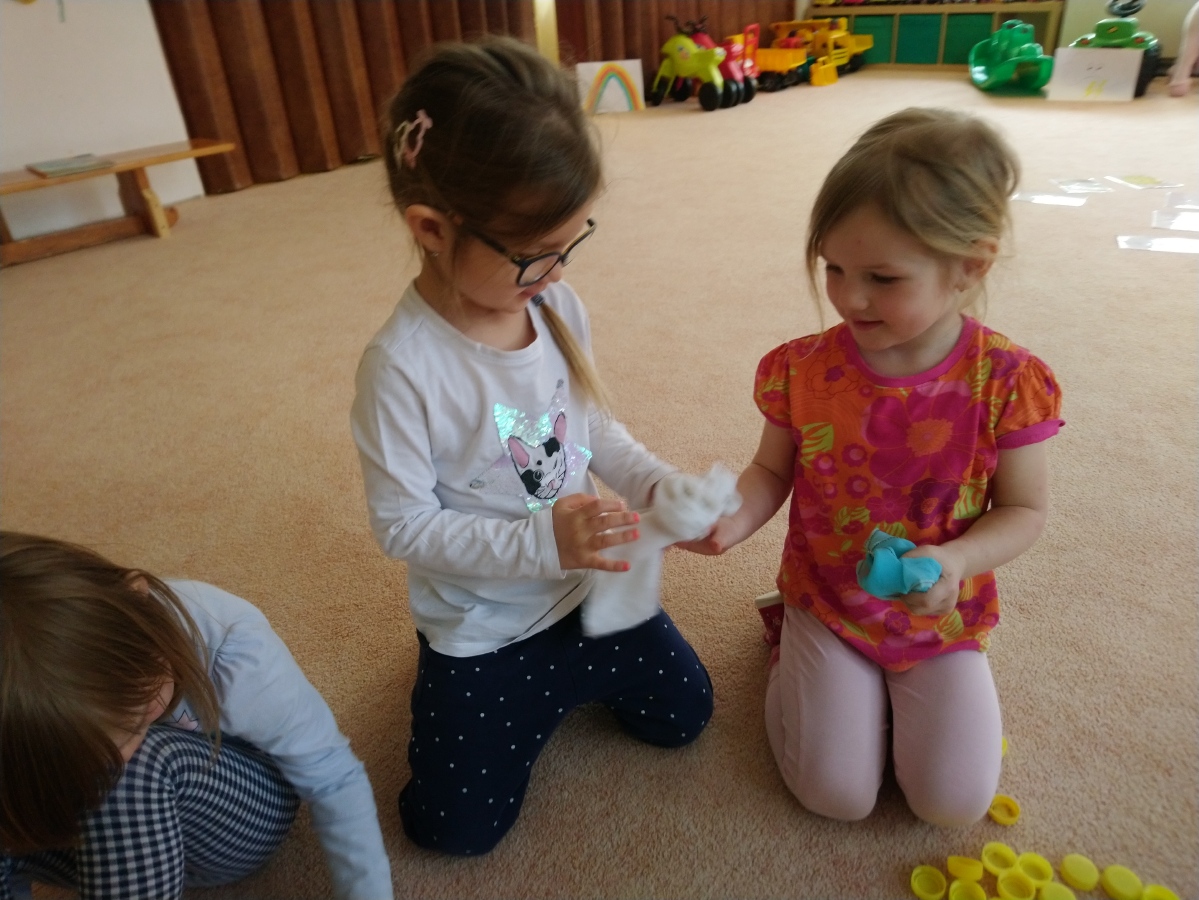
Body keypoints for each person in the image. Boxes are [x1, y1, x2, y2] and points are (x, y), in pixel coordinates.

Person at [350, 37, 713, 856]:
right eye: (534, 254)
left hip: (593, 592)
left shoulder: (554, 304)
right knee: (452, 834)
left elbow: (593, 428)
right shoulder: (401, 368)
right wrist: (542, 542)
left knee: (684, 716)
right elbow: (402, 527)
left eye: (569, 244)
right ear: (431, 229)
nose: (555, 271)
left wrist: (658, 487)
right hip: (485, 630)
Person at [680, 108, 1063, 826]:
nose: (848, 297)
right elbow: (771, 471)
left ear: (970, 266)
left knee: (951, 805)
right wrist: (731, 517)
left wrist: (954, 561)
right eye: (833, 268)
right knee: (837, 796)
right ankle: (786, 642)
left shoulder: (1008, 382)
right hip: (828, 600)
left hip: (941, 614)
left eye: (882, 278)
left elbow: (1024, 510)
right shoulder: (801, 370)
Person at [0, 532, 392, 900]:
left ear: (140, 600)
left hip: (240, 813)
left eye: (137, 719)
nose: (123, 750)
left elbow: (332, 775)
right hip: (113, 836)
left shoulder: (237, 651)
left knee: (127, 773)